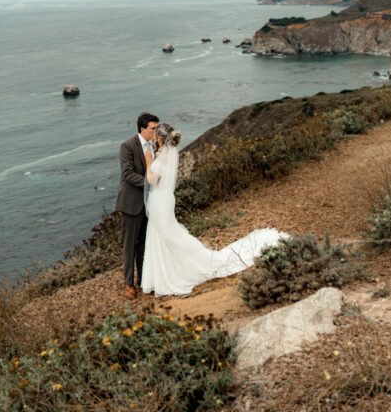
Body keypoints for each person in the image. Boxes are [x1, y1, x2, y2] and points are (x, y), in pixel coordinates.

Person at [141, 121, 287, 297]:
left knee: (165, 235)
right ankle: (162, 275)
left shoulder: (163, 157)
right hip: (164, 199)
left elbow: (150, 180)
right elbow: (158, 179)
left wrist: (149, 161)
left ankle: (170, 274)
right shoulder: (167, 155)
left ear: (159, 138)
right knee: (164, 234)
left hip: (160, 201)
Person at [116, 112, 159, 299]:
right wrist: (150, 181)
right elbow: (127, 174)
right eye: (153, 129)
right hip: (131, 204)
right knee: (129, 246)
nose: (156, 132)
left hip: (148, 205)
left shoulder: (155, 146)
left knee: (143, 244)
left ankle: (143, 278)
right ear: (143, 129)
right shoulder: (127, 146)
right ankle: (128, 284)